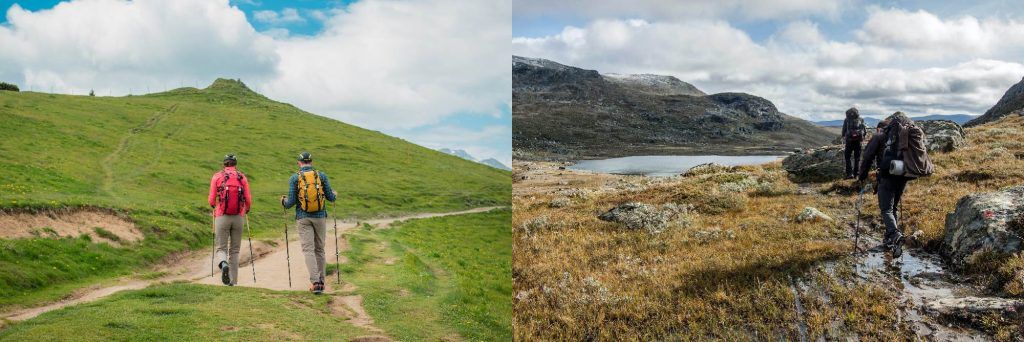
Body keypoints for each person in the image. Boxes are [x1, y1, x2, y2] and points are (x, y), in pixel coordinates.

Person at [281, 152, 337, 294]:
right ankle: (322, 282)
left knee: (308, 250)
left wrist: (283, 201)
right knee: (320, 249)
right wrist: (335, 194)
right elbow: (330, 197)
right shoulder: (321, 176)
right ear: (311, 161)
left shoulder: (295, 178)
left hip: (303, 217)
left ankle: (315, 282)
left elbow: (290, 203)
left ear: (299, 162)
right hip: (320, 217)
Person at [859, 112, 911, 258]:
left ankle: (894, 235)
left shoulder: (879, 137)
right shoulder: (901, 137)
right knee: (892, 207)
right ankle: (890, 241)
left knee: (886, 209)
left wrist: (862, 176)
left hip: (887, 175)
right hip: (903, 174)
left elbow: (867, 157)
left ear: (879, 129)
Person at [208, 154, 253, 286]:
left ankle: (223, 264)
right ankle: (232, 282)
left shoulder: (217, 176)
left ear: (224, 164)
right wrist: (247, 209)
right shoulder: (242, 177)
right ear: (235, 164)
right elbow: (248, 198)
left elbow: (211, 200)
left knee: (221, 248)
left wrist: (214, 206)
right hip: (238, 216)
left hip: (222, 215)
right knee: (235, 250)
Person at [842, 107, 867, 179]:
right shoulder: (861, 119)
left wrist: (844, 136)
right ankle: (856, 174)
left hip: (849, 141)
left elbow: (844, 130)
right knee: (857, 158)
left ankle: (849, 174)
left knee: (847, 157)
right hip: (858, 141)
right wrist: (862, 138)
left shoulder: (846, 120)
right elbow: (864, 131)